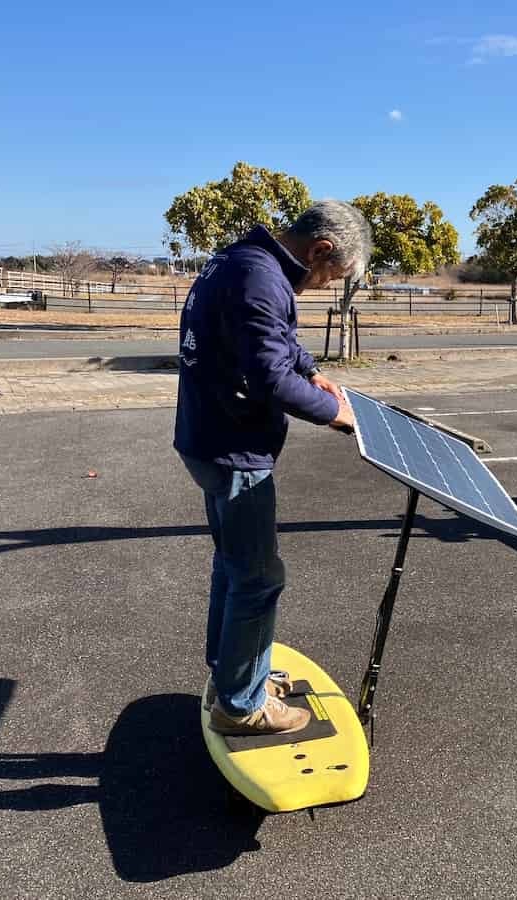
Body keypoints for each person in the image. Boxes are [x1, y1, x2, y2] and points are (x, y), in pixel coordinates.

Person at [174, 200, 371, 736]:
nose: (328, 285)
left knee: (234, 565)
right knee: (260, 578)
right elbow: (267, 377)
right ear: (320, 250)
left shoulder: (245, 260)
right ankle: (242, 706)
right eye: (333, 275)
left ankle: (233, 673)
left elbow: (275, 341)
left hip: (208, 439)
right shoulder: (260, 278)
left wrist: (313, 371)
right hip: (232, 450)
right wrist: (338, 415)